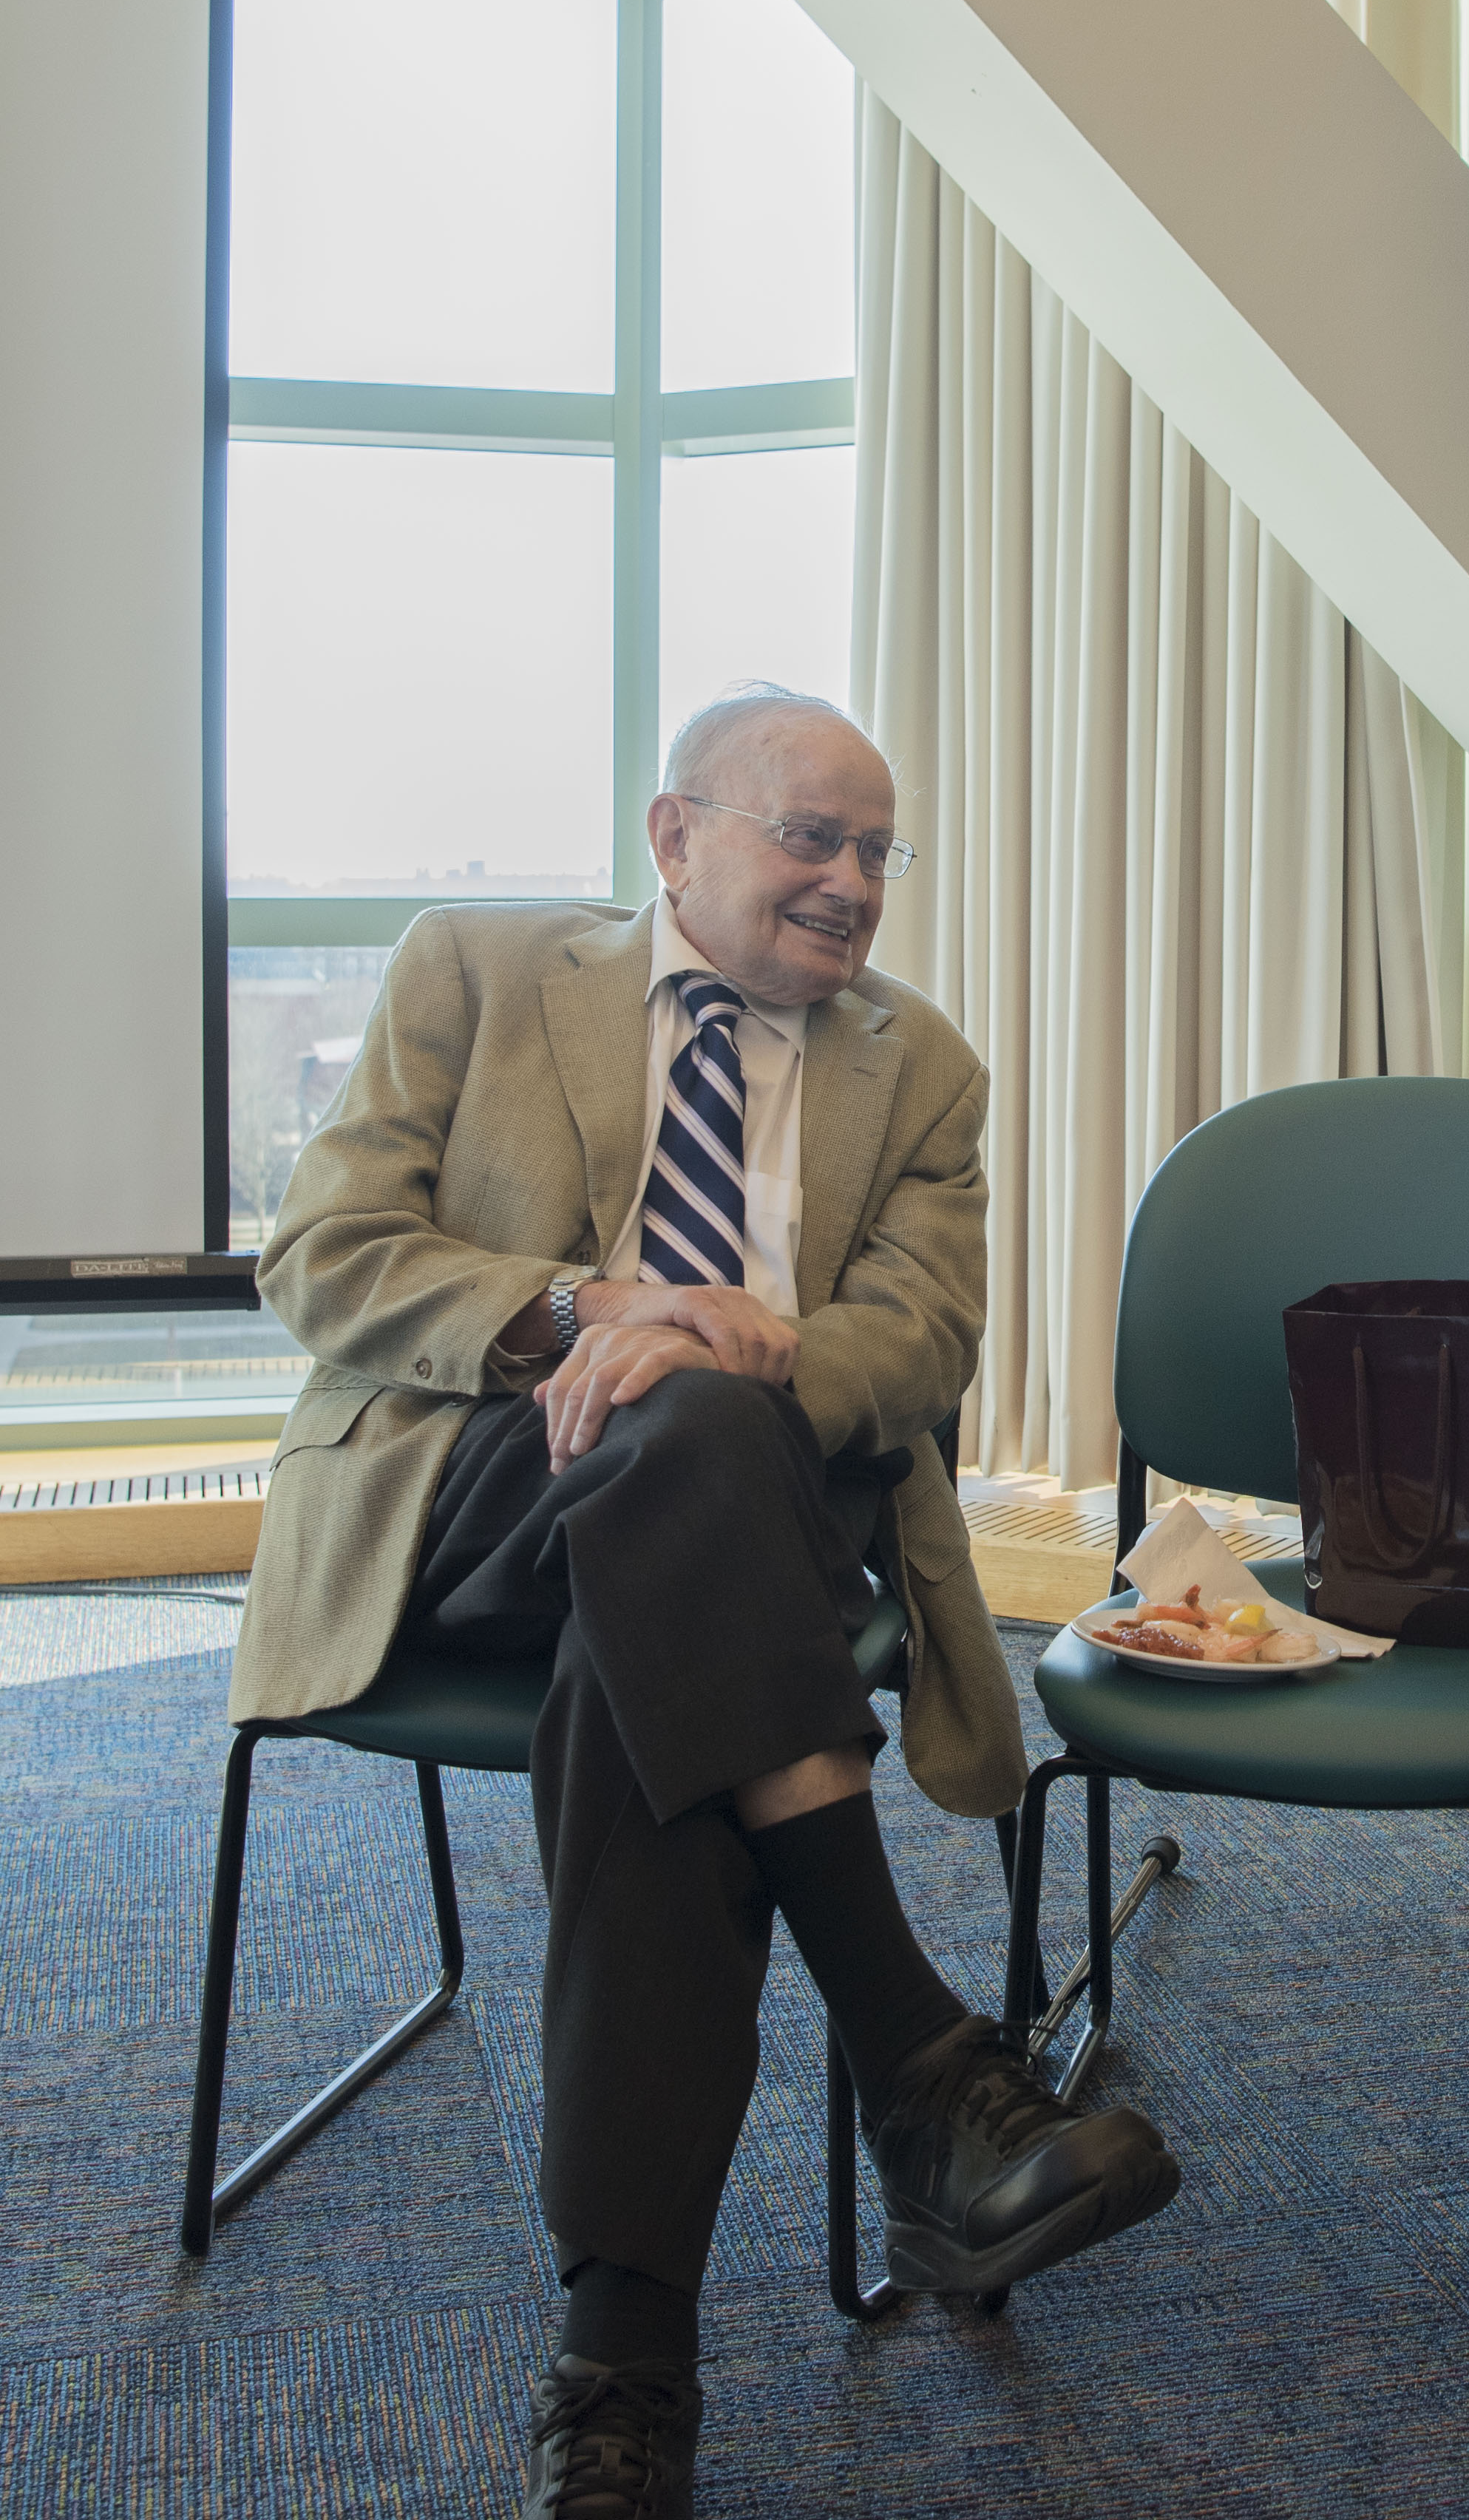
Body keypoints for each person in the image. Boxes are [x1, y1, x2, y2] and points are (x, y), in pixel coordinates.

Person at [231, 690, 1178, 2520]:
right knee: (677, 1446)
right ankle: (917, 2062)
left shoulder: (926, 1068)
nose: (851, 883)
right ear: (676, 839)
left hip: (747, 1522)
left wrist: (740, 1352)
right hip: (475, 1488)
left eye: (878, 852)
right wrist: (603, 1312)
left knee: (667, 1577)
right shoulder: (480, 971)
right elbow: (322, 1252)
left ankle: (623, 2366)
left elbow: (918, 1339)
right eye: (809, 837)